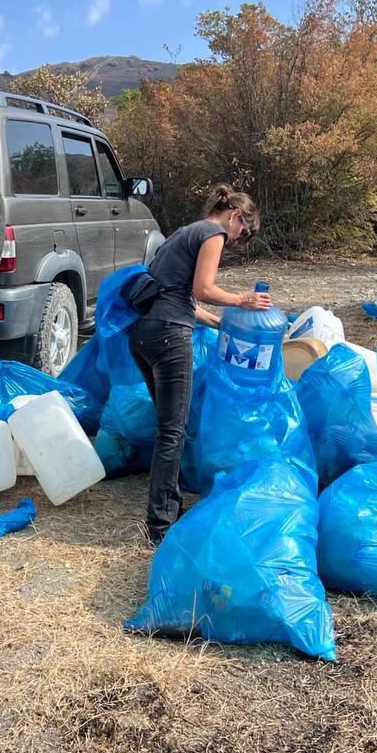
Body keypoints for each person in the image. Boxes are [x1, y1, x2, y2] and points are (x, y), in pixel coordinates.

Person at [128, 184, 269, 546]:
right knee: (173, 431)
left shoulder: (183, 232)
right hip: (169, 337)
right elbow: (203, 289)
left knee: (168, 425)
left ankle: (169, 508)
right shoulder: (213, 233)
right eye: (244, 231)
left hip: (144, 333)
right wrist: (243, 300)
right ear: (235, 215)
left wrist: (221, 323)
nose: (240, 239)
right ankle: (160, 525)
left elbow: (181, 295)